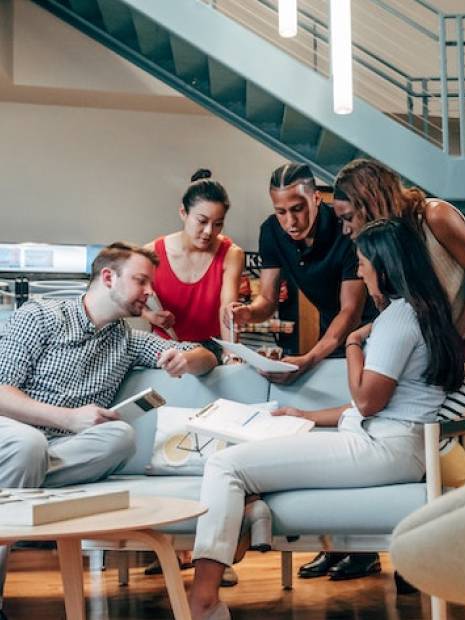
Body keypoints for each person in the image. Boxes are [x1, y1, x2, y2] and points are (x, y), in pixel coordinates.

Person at [187, 218, 465, 620]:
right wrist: (305, 416)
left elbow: (367, 402)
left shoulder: (398, 319)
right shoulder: (419, 314)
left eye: (363, 263)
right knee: (255, 454)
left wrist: (352, 344)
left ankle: (203, 600)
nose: (361, 272)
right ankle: (250, 514)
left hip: (382, 447)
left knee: (225, 465)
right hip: (392, 444)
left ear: (384, 267)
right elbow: (387, 405)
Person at [0, 242, 219, 618]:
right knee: (28, 443)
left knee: (120, 436)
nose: (149, 292)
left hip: (61, 453)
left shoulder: (128, 341)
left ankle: (24, 479)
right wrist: (68, 419)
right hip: (12, 433)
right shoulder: (41, 315)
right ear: (108, 277)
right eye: (141, 281)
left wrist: (187, 358)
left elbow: (207, 355)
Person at [332, 158, 465, 478]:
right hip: (442, 334)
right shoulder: (393, 236)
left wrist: (455, 338)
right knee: (430, 432)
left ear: (369, 201)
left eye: (348, 217)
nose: (346, 229)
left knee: (460, 428)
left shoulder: (435, 216)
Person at [225, 162, 373, 384]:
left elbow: (350, 311)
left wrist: (309, 358)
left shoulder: (344, 229)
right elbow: (267, 300)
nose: (290, 222)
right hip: (330, 334)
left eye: (297, 209)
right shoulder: (271, 231)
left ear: (316, 198)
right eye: (281, 212)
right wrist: (248, 313)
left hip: (369, 328)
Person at [144, 169, 244, 342]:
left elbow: (227, 313)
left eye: (218, 224)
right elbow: (128, 298)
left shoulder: (231, 254)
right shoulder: (151, 253)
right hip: (163, 346)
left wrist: (231, 353)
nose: (209, 231)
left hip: (211, 347)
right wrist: (149, 316)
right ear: (183, 212)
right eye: (202, 221)